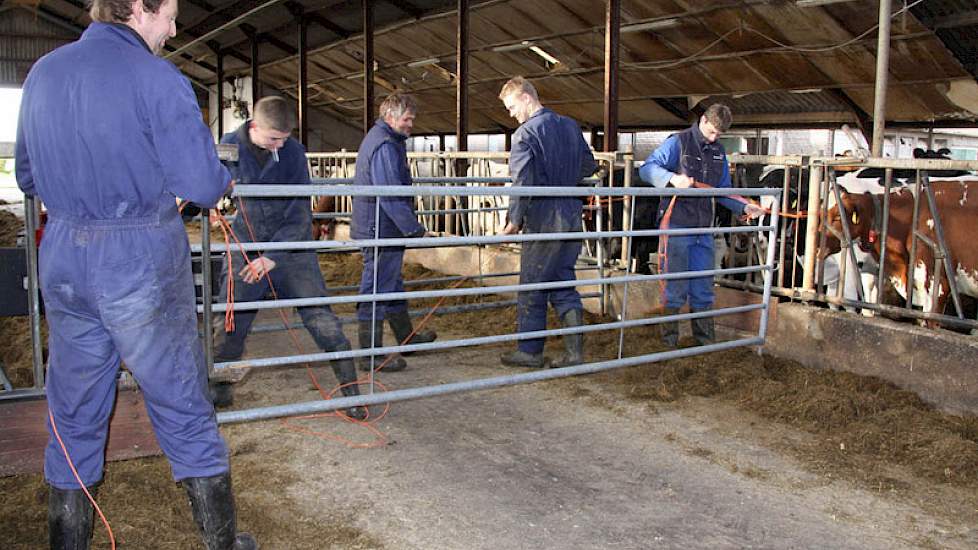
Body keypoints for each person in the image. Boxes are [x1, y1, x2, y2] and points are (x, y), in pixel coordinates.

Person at [14, 0, 257, 548]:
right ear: (140, 9)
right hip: (137, 258)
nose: (173, 29)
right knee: (180, 401)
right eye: (169, 14)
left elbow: (27, 175)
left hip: (65, 258)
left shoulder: (44, 73)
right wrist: (220, 182)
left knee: (74, 407)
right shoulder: (156, 78)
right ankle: (222, 542)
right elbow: (198, 182)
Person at [214, 96, 367, 421]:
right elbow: (214, 189)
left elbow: (300, 214)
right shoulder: (228, 147)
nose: (278, 145)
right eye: (273, 138)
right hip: (245, 246)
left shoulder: (293, 152)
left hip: (292, 249)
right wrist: (218, 205)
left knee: (322, 318)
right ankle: (219, 388)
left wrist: (273, 256)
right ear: (254, 126)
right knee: (231, 321)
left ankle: (351, 390)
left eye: (284, 138)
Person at [639, 104, 764, 347]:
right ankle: (668, 345)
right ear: (703, 120)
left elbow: (723, 190)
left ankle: (705, 344)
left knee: (704, 287)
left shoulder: (718, 152)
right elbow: (647, 168)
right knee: (674, 286)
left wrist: (744, 207)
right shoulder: (678, 143)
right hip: (676, 226)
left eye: (720, 135)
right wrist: (672, 179)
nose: (715, 138)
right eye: (712, 132)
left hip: (703, 229)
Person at [497, 77, 598, 369]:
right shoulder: (569, 125)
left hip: (543, 219)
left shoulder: (524, 135)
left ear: (527, 98)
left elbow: (522, 183)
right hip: (570, 215)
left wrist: (513, 221)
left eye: (512, 107)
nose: (512, 114)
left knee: (532, 283)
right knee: (563, 282)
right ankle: (575, 354)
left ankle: (529, 351)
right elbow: (588, 165)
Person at [351, 92, 436, 372]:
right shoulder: (385, 145)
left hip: (383, 226)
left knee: (391, 283)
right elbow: (390, 196)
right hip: (380, 228)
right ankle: (370, 355)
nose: (411, 124)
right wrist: (415, 231)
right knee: (376, 287)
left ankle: (406, 338)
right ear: (390, 117)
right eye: (407, 119)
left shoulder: (388, 139)